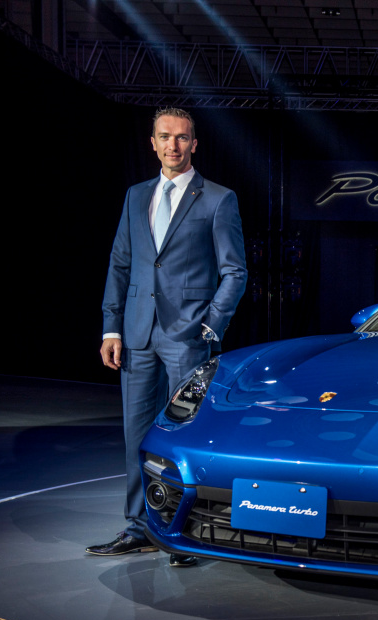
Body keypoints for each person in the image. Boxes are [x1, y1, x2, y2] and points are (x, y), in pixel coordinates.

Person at [86, 107, 248, 566]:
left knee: (184, 438)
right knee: (137, 436)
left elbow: (235, 271)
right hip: (137, 333)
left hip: (188, 337)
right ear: (153, 143)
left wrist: (211, 325)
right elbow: (121, 264)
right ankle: (139, 527)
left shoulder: (218, 198)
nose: (172, 145)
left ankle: (185, 532)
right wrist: (112, 326)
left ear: (194, 144)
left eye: (181, 137)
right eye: (164, 137)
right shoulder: (136, 196)